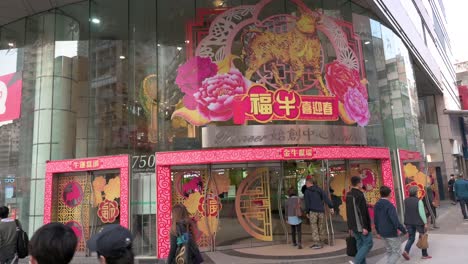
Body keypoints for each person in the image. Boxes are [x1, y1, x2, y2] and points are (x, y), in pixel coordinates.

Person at [374, 186, 407, 264]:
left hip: (382, 232)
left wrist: (378, 231)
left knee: (389, 250)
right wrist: (404, 230)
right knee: (396, 252)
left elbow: (376, 219)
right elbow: (395, 220)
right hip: (391, 232)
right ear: (389, 194)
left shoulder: (377, 204)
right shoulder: (389, 205)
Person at [346, 176, 373, 264]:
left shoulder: (349, 194)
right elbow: (362, 212)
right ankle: (356, 261)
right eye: (361, 182)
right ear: (358, 183)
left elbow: (349, 211)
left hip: (353, 225)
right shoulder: (359, 195)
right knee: (369, 243)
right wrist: (365, 227)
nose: (362, 184)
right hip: (360, 225)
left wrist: (349, 226)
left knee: (360, 244)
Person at [402, 186, 431, 260]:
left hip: (408, 222)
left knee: (411, 238)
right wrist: (425, 223)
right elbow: (422, 213)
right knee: (422, 237)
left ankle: (406, 251)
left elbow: (405, 211)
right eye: (418, 191)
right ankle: (424, 255)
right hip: (418, 222)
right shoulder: (419, 201)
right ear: (415, 192)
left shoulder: (405, 200)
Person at [304, 178, 334, 249]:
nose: (305, 184)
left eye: (306, 183)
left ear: (309, 183)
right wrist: (331, 206)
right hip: (321, 211)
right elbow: (326, 198)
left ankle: (317, 243)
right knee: (321, 227)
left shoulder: (307, 191)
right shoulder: (319, 189)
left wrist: (307, 212)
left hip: (313, 212)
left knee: (314, 227)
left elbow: (307, 203)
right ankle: (322, 241)